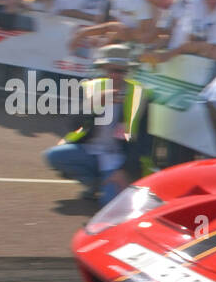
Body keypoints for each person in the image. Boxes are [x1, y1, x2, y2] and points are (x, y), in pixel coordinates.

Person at [44, 45, 151, 205]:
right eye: (111, 70)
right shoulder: (91, 88)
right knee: (54, 156)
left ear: (127, 71)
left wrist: (124, 170)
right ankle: (95, 183)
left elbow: (143, 140)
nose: (115, 75)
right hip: (91, 151)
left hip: (118, 158)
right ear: (104, 69)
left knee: (107, 204)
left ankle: (108, 184)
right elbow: (72, 124)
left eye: (120, 71)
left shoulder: (139, 95)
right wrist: (93, 105)